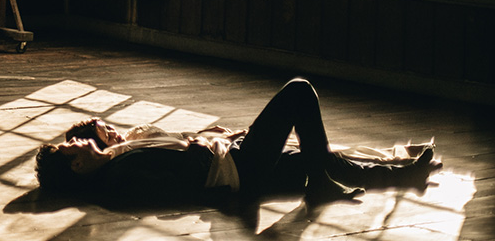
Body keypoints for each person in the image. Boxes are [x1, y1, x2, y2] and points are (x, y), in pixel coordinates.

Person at [35, 78, 440, 208]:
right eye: (69, 148)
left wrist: (217, 141)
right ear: (76, 167)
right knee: (298, 92)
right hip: (238, 169)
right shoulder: (118, 177)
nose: (75, 144)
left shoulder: (116, 159)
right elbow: (178, 189)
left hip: (235, 160)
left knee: (318, 156)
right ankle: (319, 187)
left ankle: (404, 172)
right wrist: (221, 169)